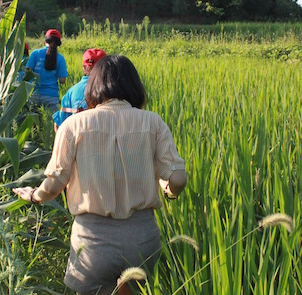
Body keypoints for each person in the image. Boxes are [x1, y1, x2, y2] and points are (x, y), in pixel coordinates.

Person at [13, 55, 188, 295]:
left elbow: (54, 186)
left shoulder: (74, 126)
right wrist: (170, 194)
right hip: (142, 240)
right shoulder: (153, 122)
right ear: (134, 86)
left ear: (93, 86)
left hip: (93, 243)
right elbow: (178, 179)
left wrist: (34, 196)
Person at [52, 48, 107, 130]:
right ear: (106, 69)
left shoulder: (71, 92)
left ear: (84, 68)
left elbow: (59, 125)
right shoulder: (111, 90)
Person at [26, 29, 68, 111]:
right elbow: (62, 80)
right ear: (58, 43)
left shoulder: (35, 53)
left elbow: (27, 72)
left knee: (34, 122)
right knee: (51, 122)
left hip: (34, 94)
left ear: (45, 40)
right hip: (51, 96)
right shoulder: (60, 58)